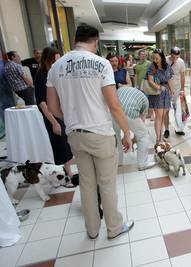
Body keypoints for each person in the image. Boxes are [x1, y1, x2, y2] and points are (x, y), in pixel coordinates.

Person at [46, 24, 134, 240]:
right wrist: (127, 132)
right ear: (95, 41)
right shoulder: (102, 64)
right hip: (101, 134)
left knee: (86, 184)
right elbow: (114, 105)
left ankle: (92, 230)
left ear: (76, 39)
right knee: (107, 184)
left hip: (75, 135)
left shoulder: (56, 66)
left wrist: (73, 118)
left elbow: (53, 107)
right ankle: (114, 228)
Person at [34, 47, 74, 177]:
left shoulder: (54, 73)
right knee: (60, 145)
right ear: (47, 60)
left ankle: (66, 171)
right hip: (51, 116)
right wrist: (54, 122)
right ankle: (65, 173)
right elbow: (42, 102)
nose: (57, 63)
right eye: (54, 60)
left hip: (59, 113)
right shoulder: (41, 75)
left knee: (65, 144)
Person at [115, 86, 156, 170]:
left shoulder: (122, 89)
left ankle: (119, 161)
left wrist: (126, 135)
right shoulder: (145, 100)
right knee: (144, 135)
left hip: (113, 112)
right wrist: (134, 139)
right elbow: (140, 123)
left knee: (116, 136)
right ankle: (142, 163)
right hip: (129, 112)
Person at [146, 49, 174, 142]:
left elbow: (169, 79)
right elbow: (150, 80)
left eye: (157, 58)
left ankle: (160, 136)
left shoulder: (167, 66)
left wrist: (171, 90)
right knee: (159, 116)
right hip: (156, 93)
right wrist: (158, 87)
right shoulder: (151, 66)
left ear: (162, 57)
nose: (155, 60)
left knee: (163, 115)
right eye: (153, 58)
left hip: (166, 92)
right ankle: (159, 138)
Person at [166, 47, 186, 136]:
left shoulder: (181, 62)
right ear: (170, 54)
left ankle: (178, 128)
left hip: (177, 87)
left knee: (178, 108)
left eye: (177, 57)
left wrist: (182, 89)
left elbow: (182, 76)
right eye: (173, 57)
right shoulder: (165, 60)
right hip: (166, 87)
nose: (175, 59)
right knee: (166, 109)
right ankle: (166, 129)